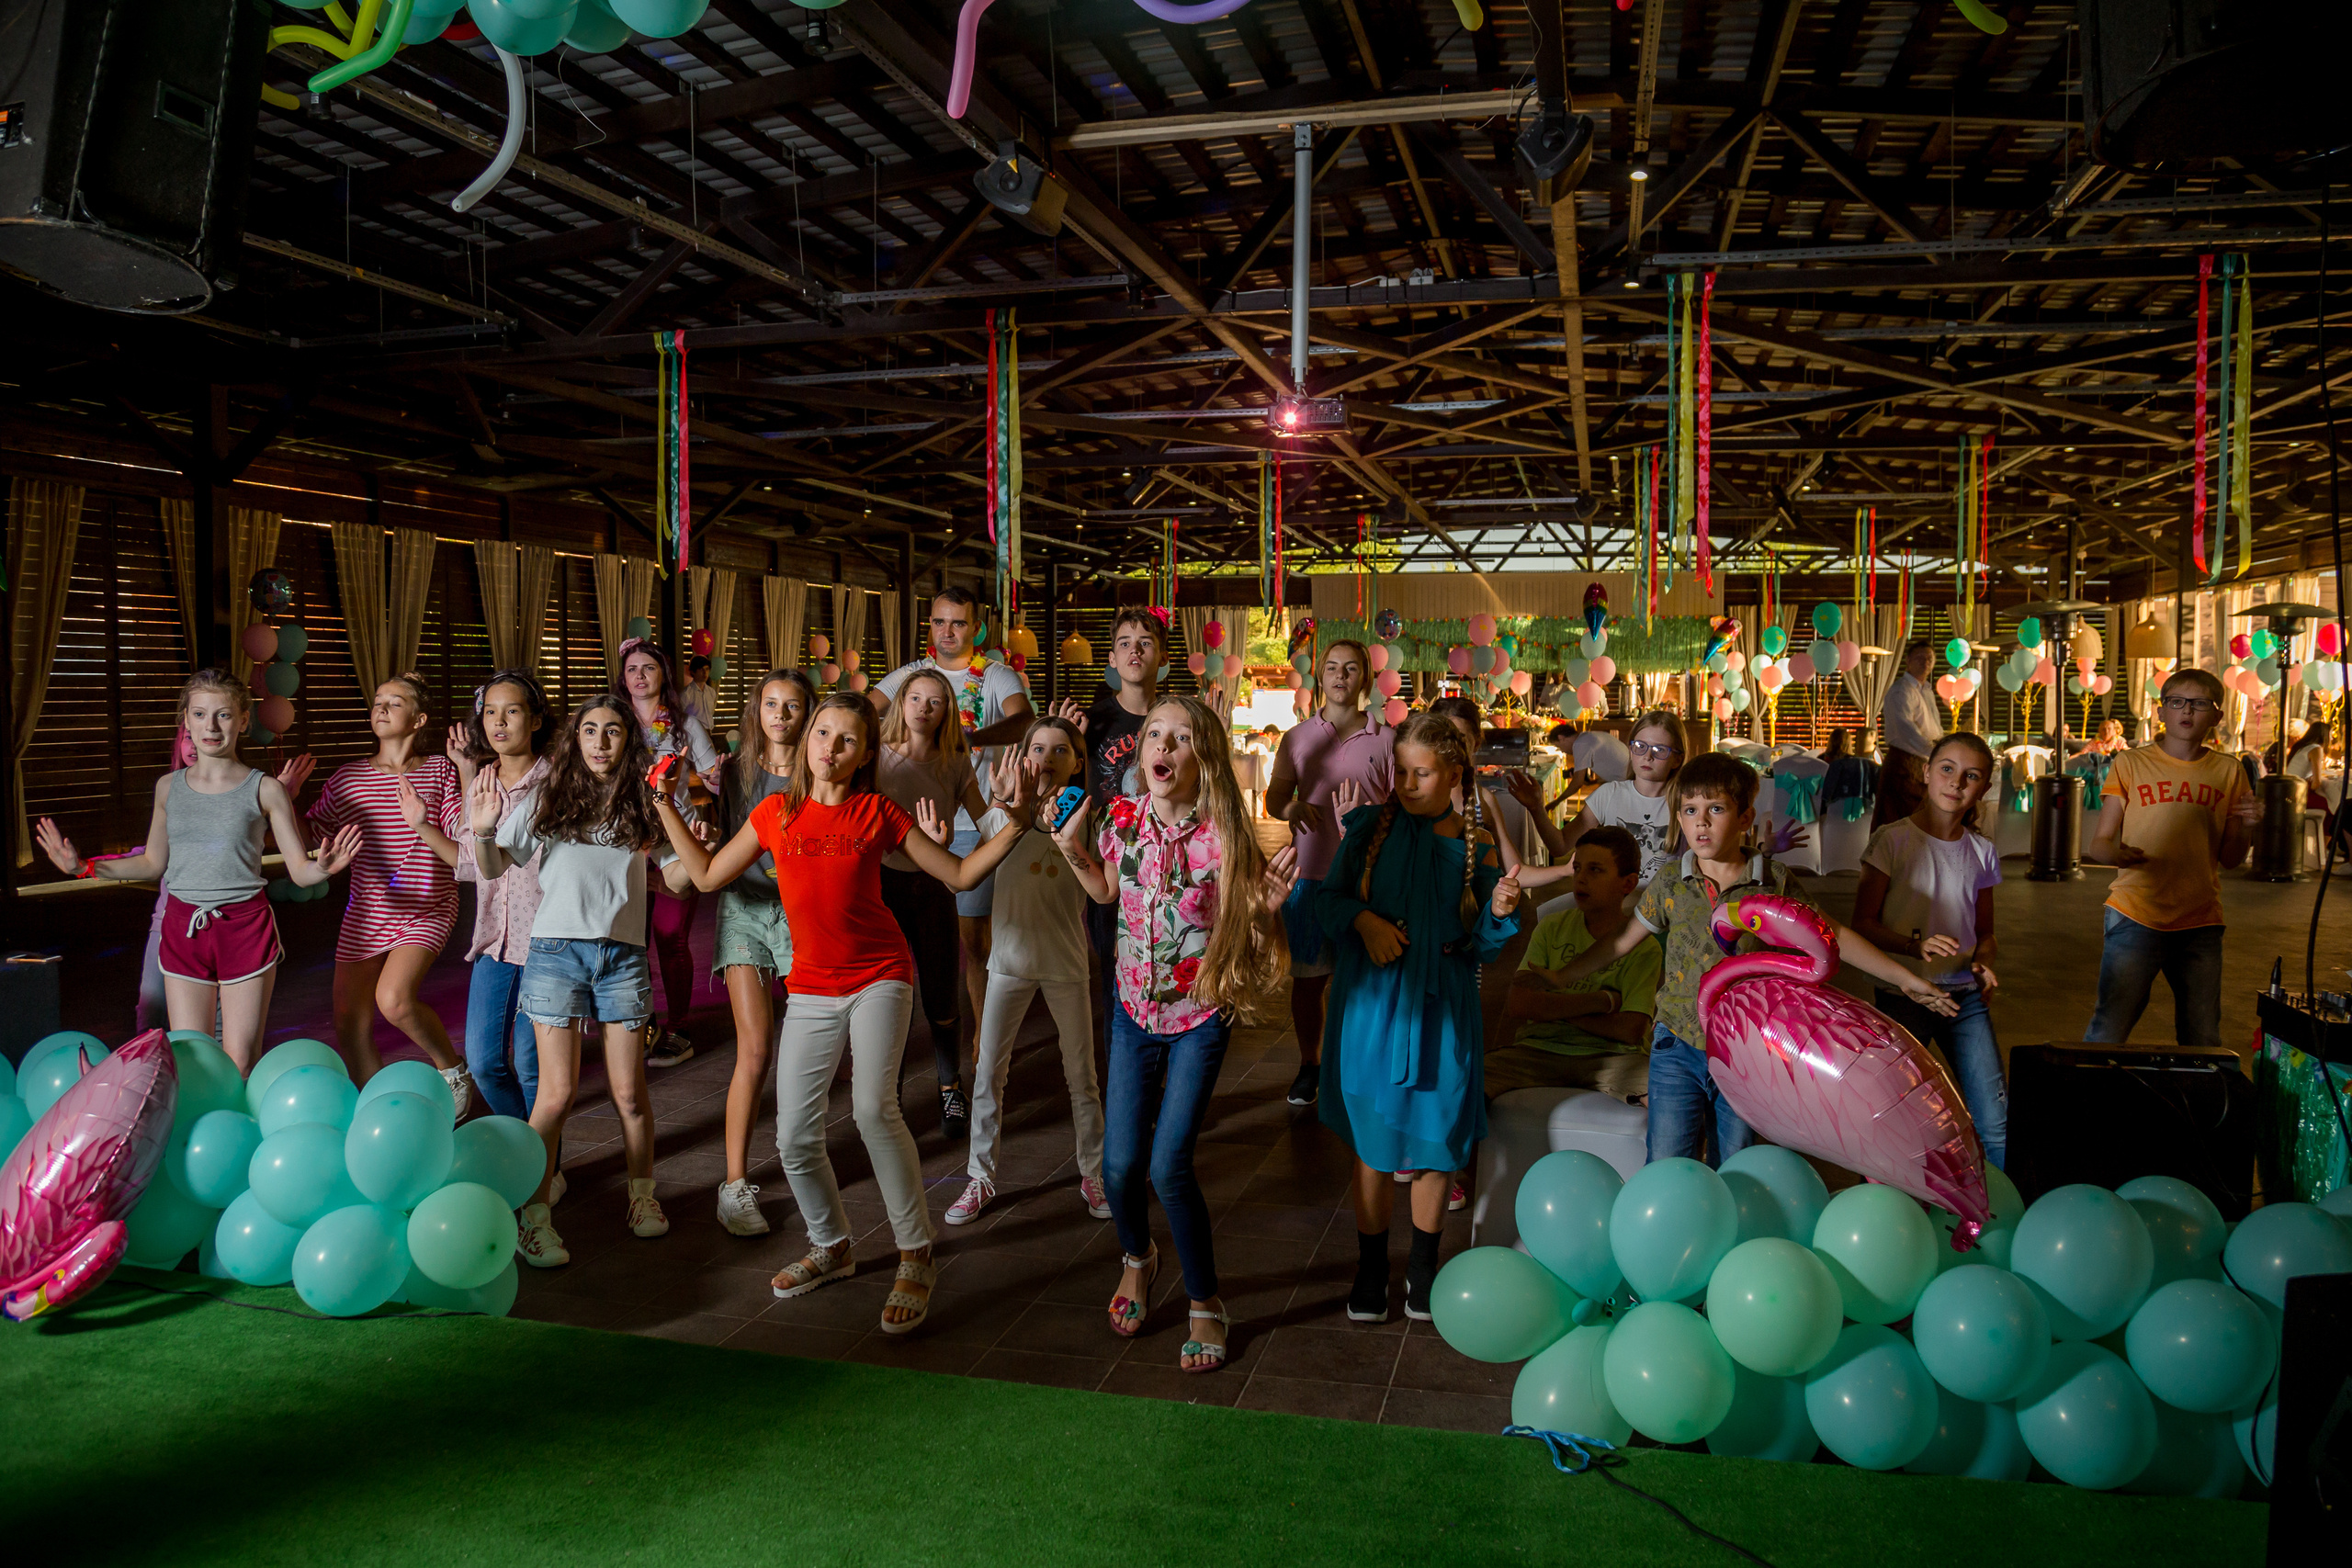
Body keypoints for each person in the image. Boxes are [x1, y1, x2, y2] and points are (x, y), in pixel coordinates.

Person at [654, 694, 1042, 1335]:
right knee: (793, 1136)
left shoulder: (877, 812)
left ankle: (916, 1252)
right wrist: (666, 802)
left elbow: (960, 872)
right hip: (810, 986)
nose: (829, 747)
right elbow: (703, 874)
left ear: (865, 755)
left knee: (870, 1109)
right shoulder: (775, 813)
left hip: (880, 977)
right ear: (807, 740)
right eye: (822, 733)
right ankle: (831, 1243)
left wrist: (1014, 825)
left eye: (846, 739)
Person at [1544, 753, 1955, 1165]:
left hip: (1745, 1049)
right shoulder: (1672, 882)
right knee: (1667, 1159)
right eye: (1690, 810)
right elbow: (1620, 941)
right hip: (1677, 1043)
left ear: (1744, 819)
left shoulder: (1772, 881)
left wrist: (1906, 979)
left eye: (1715, 809)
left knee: (1735, 1159)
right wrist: (1562, 977)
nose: (1700, 822)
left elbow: (1835, 936)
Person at [1051, 695, 1295, 1372]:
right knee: (1120, 1165)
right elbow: (1104, 892)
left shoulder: (1225, 836)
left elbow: (1252, 944)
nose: (1162, 745)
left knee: (1168, 1166)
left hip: (1197, 1018)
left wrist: (1268, 914)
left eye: (1181, 737)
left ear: (1203, 757)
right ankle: (1138, 1256)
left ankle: (1206, 1300)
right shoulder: (1121, 819)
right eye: (1155, 733)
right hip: (1132, 1013)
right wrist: (1072, 848)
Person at [469, 695, 696, 1265]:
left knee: (629, 1094)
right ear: (575, 739)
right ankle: (535, 1218)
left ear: (628, 741)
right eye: (590, 730)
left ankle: (642, 1198)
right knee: (556, 1094)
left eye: (613, 731)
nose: (600, 741)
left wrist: (693, 851)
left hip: (622, 957)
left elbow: (679, 878)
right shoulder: (550, 795)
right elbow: (497, 866)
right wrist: (481, 831)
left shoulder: (647, 799)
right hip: (554, 954)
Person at [36, 671, 358, 1070]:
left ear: (243, 720)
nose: (211, 726)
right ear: (185, 720)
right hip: (183, 927)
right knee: (194, 1059)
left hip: (245, 927)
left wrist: (322, 868)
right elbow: (153, 862)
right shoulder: (168, 787)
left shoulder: (266, 789)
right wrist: (83, 867)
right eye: (200, 714)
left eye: (223, 715)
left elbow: (299, 873)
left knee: (239, 1062)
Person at [1314, 715, 1522, 1323]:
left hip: (1443, 1017)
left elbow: (1484, 944)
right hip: (1373, 1014)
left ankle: (1424, 1268)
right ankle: (1372, 1265)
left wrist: (1501, 911)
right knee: (1376, 1147)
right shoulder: (1368, 832)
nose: (1406, 783)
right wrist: (1364, 920)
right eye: (1400, 770)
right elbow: (1327, 901)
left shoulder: (1475, 846)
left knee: (1437, 1142)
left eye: (1421, 773)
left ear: (1454, 774)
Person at [871, 588, 1036, 1101]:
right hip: (901, 840)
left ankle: (979, 1044)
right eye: (939, 622)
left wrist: (969, 741)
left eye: (958, 623)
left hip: (974, 821)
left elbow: (1022, 718)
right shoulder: (909, 676)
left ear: (975, 627)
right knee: (899, 959)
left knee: (971, 945)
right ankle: (894, 1072)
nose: (948, 631)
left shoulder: (994, 674)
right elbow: (862, 708)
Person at [947, 715, 1108, 1226]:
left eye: (1061, 749)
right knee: (988, 1073)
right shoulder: (1003, 814)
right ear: (1023, 756)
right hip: (1008, 963)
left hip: (1066, 962)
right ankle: (981, 1176)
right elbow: (970, 873)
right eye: (1037, 748)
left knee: (1082, 1076)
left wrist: (1072, 838)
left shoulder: (1089, 815)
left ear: (1077, 762)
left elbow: (1102, 887)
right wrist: (994, 810)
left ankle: (1093, 1171)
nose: (1046, 758)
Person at [306, 673, 472, 1104]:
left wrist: (468, 770)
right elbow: (311, 834)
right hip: (368, 912)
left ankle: (453, 1069)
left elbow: (465, 833)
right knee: (349, 1020)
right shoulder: (347, 780)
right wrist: (282, 800)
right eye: (377, 700)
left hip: (430, 906)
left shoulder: (438, 769)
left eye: (394, 703)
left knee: (394, 1000)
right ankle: (374, 1106)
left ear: (418, 720)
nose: (380, 708)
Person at [401, 671, 557, 1124]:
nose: (499, 722)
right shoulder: (481, 784)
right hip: (495, 942)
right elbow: (469, 864)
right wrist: (422, 825)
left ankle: (545, 1170)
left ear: (535, 718)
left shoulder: (556, 782)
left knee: (531, 1066)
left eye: (511, 710)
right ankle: (523, 1148)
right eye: (490, 712)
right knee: (485, 1064)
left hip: (549, 945)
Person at [1849, 732, 2009, 1168]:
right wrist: (1912, 947)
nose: (1957, 782)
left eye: (1971, 776)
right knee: (1894, 1114)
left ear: (1985, 788)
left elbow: (1986, 933)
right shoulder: (1891, 841)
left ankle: (1995, 1215)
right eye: (1947, 769)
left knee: (1995, 1121)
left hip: (1965, 1001)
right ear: (1926, 772)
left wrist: (1982, 963)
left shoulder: (1982, 852)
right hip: (1905, 998)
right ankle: (1888, 1208)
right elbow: (1862, 925)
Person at [2083, 668, 2260, 1052]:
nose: (2187, 711)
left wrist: (2247, 827)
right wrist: (2115, 853)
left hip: (2200, 920)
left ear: (2217, 716)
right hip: (2135, 913)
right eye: (2177, 702)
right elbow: (2098, 843)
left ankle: (2200, 1110)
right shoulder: (2130, 763)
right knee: (2108, 1029)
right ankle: (2086, 1105)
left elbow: (2230, 859)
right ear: (2160, 712)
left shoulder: (2228, 771)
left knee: (2202, 1036)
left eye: (2199, 704)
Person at [1263, 639, 1395, 1108]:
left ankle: (1360, 1066)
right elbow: (1273, 799)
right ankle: (1310, 1064)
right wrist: (1291, 804)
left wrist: (1375, 819)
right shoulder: (1297, 739)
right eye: (1333, 668)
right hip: (1311, 877)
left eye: (1352, 668)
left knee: (1366, 980)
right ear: (1321, 675)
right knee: (1309, 979)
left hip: (1368, 879)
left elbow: (1401, 806)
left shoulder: (1388, 739)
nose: (1341, 676)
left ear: (1367, 679)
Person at [709, 669, 817, 1236]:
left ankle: (804, 1161)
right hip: (745, 910)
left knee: (806, 1050)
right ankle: (734, 1186)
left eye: (792, 705)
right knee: (754, 1050)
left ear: (808, 714)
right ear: (757, 710)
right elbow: (721, 838)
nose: (780, 714)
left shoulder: (820, 770)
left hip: (803, 914)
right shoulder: (733, 772)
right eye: (771, 703)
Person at [876, 667, 992, 1138]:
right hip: (882, 887)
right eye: (916, 698)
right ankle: (889, 1095)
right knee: (887, 998)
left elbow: (987, 823)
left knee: (942, 997)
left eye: (935, 701)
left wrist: (1017, 809)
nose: (924, 708)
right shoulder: (876, 759)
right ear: (901, 703)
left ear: (947, 712)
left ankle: (950, 1087)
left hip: (934, 887)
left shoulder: (954, 761)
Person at [1488, 825, 1660, 1101]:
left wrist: (1553, 1008)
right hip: (1537, 1050)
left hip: (1614, 1058)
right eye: (1577, 868)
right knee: (1467, 1087)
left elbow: (1630, 1029)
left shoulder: (1644, 947)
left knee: (1672, 1098)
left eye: (1595, 870)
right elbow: (1519, 1003)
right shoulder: (1552, 927)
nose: (1580, 879)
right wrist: (1602, 1002)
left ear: (1627, 884)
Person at [618, 637, 721, 1069]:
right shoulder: (614, 724)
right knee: (629, 939)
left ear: (663, 676)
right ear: (622, 679)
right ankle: (643, 1022)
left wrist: (701, 817)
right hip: (625, 842)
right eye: (632, 670)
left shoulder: (686, 729)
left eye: (649, 668)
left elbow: (710, 782)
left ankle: (678, 1029)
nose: (640, 676)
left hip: (675, 841)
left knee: (669, 935)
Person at [1561, 709, 1683, 885]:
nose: (1648, 756)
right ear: (1631, 750)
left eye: (1659, 750)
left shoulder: (1686, 803)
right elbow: (1560, 845)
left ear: (1677, 759)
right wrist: (1536, 808)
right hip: (1617, 901)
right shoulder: (1609, 794)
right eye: (1640, 747)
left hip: (1666, 904)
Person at [1874, 640, 1943, 828]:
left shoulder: (1926, 691)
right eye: (1920, 658)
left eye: (1930, 659)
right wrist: (1938, 752)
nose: (1925, 663)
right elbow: (1906, 730)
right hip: (1904, 763)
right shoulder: (1901, 690)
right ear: (1908, 661)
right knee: (1896, 824)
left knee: (1919, 824)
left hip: (1924, 763)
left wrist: (1943, 749)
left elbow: (1934, 727)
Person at [680, 654, 718, 730]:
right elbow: (679, 717)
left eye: (707, 669)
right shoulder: (686, 694)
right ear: (693, 672)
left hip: (709, 731)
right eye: (701, 669)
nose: (705, 673)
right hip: (694, 733)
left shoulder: (711, 692)